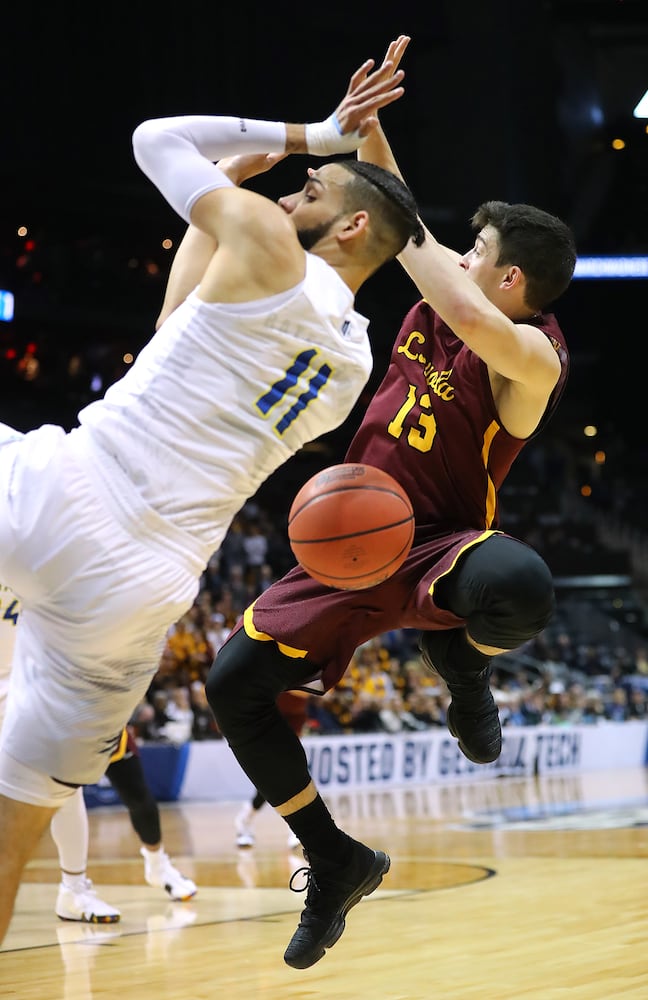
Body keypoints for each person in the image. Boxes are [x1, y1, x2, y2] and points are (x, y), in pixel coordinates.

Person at [0, 41, 424, 946]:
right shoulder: (352, 364)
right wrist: (227, 203)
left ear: (350, 229)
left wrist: (321, 132)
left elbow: (155, 136)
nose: (285, 197)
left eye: (310, 192)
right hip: (141, 593)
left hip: (72, 491)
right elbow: (174, 333)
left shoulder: (270, 250)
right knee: (12, 832)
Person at [204, 33, 577, 971]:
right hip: (348, 541)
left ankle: (459, 657)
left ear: (510, 280)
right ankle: (333, 859)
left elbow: (434, 272)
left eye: (477, 250)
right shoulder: (454, 279)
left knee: (525, 581)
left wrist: (382, 187)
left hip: (443, 545)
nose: (458, 252)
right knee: (229, 685)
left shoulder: (531, 357)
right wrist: (361, 127)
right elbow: (404, 217)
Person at [0, 584, 195, 925]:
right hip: (39, 688)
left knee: (96, 789)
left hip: (53, 689)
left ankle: (90, 883)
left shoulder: (35, 551)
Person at [234, 691, 309, 850]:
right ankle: (246, 818)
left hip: (293, 711)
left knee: (285, 774)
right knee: (274, 777)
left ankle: (247, 818)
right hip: (267, 710)